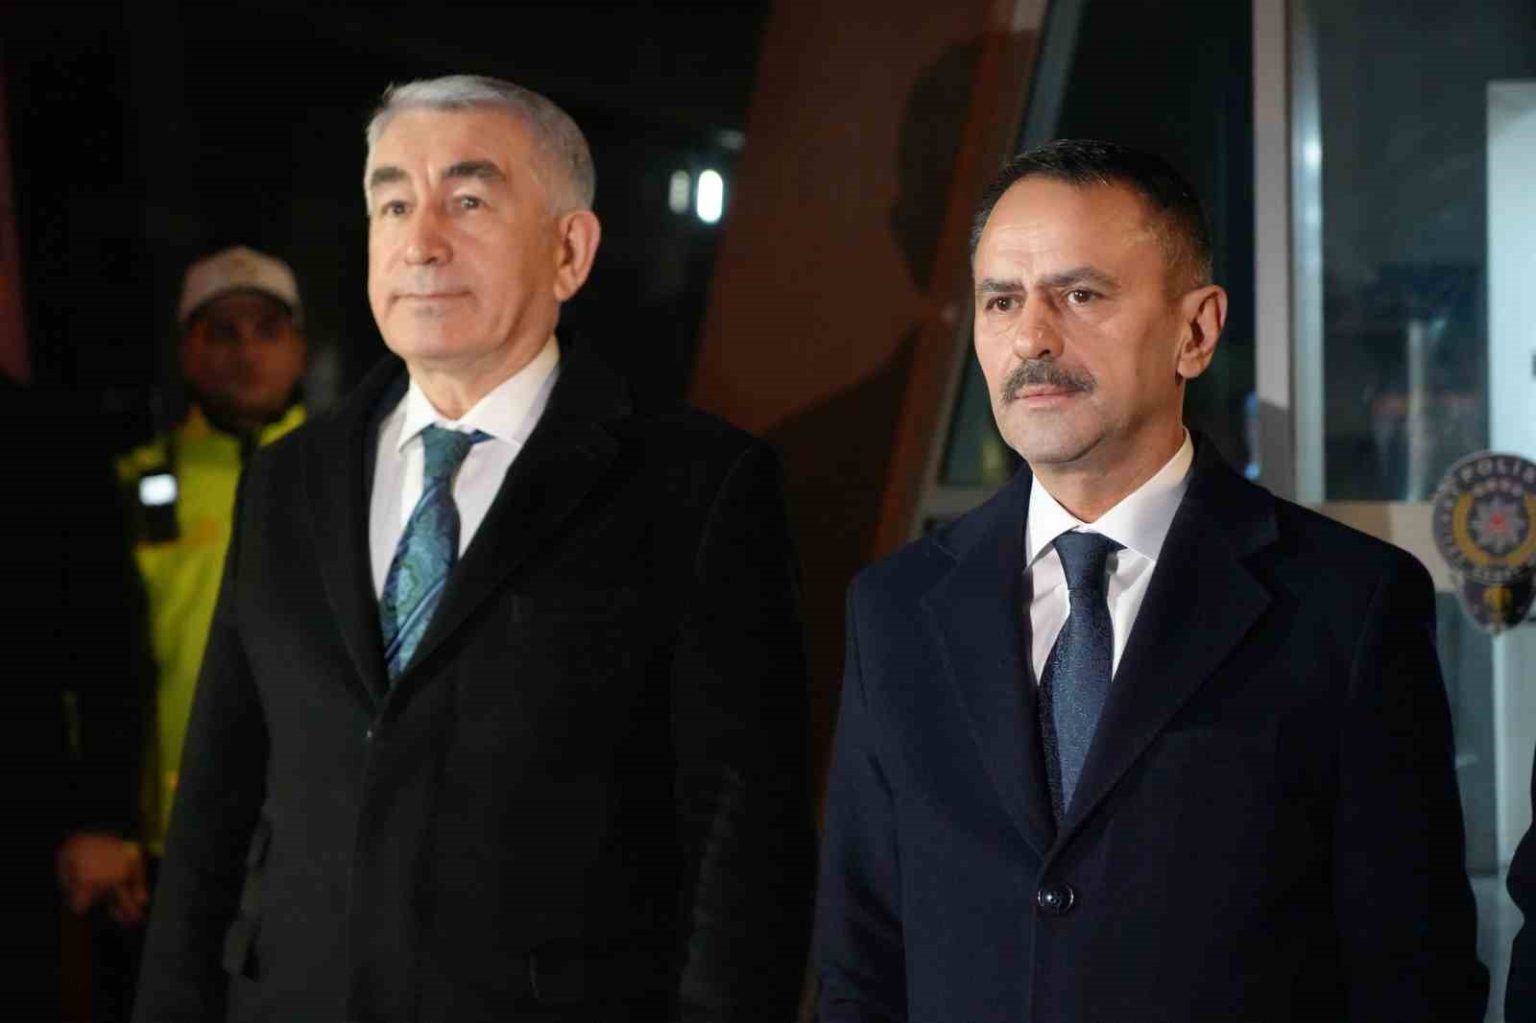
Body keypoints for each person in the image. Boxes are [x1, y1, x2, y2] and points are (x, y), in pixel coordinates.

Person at [132, 75, 812, 1022]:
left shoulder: (697, 485)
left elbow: (742, 839)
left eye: (468, 200)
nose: (421, 242)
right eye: (394, 203)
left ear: (569, 250)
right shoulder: (289, 482)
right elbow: (218, 792)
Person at [813, 139, 1488, 1021]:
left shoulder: (1347, 606)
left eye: (1080, 295)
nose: (1031, 336)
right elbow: (861, 964)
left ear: (1196, 331)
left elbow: (1413, 976)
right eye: (1002, 299)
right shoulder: (896, 611)